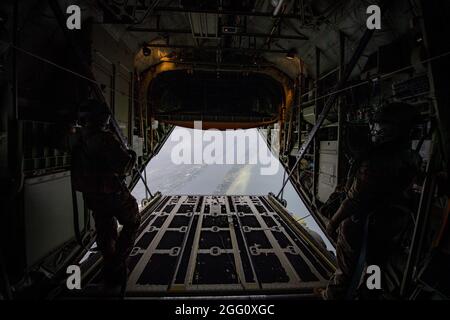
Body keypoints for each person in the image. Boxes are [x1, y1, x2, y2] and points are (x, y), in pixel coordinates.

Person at [323, 102, 422, 299]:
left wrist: (333, 223)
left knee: (346, 268)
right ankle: (368, 294)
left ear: (388, 129)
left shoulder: (376, 160)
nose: (374, 131)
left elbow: (354, 199)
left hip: (363, 224)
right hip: (390, 225)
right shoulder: (411, 157)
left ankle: (332, 296)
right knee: (376, 263)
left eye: (378, 127)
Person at [71, 100, 140, 286]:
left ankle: (110, 264)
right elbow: (124, 166)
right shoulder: (104, 138)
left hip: (93, 196)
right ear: (102, 118)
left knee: (105, 229)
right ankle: (117, 264)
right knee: (133, 221)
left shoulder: (78, 138)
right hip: (111, 193)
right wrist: (132, 155)